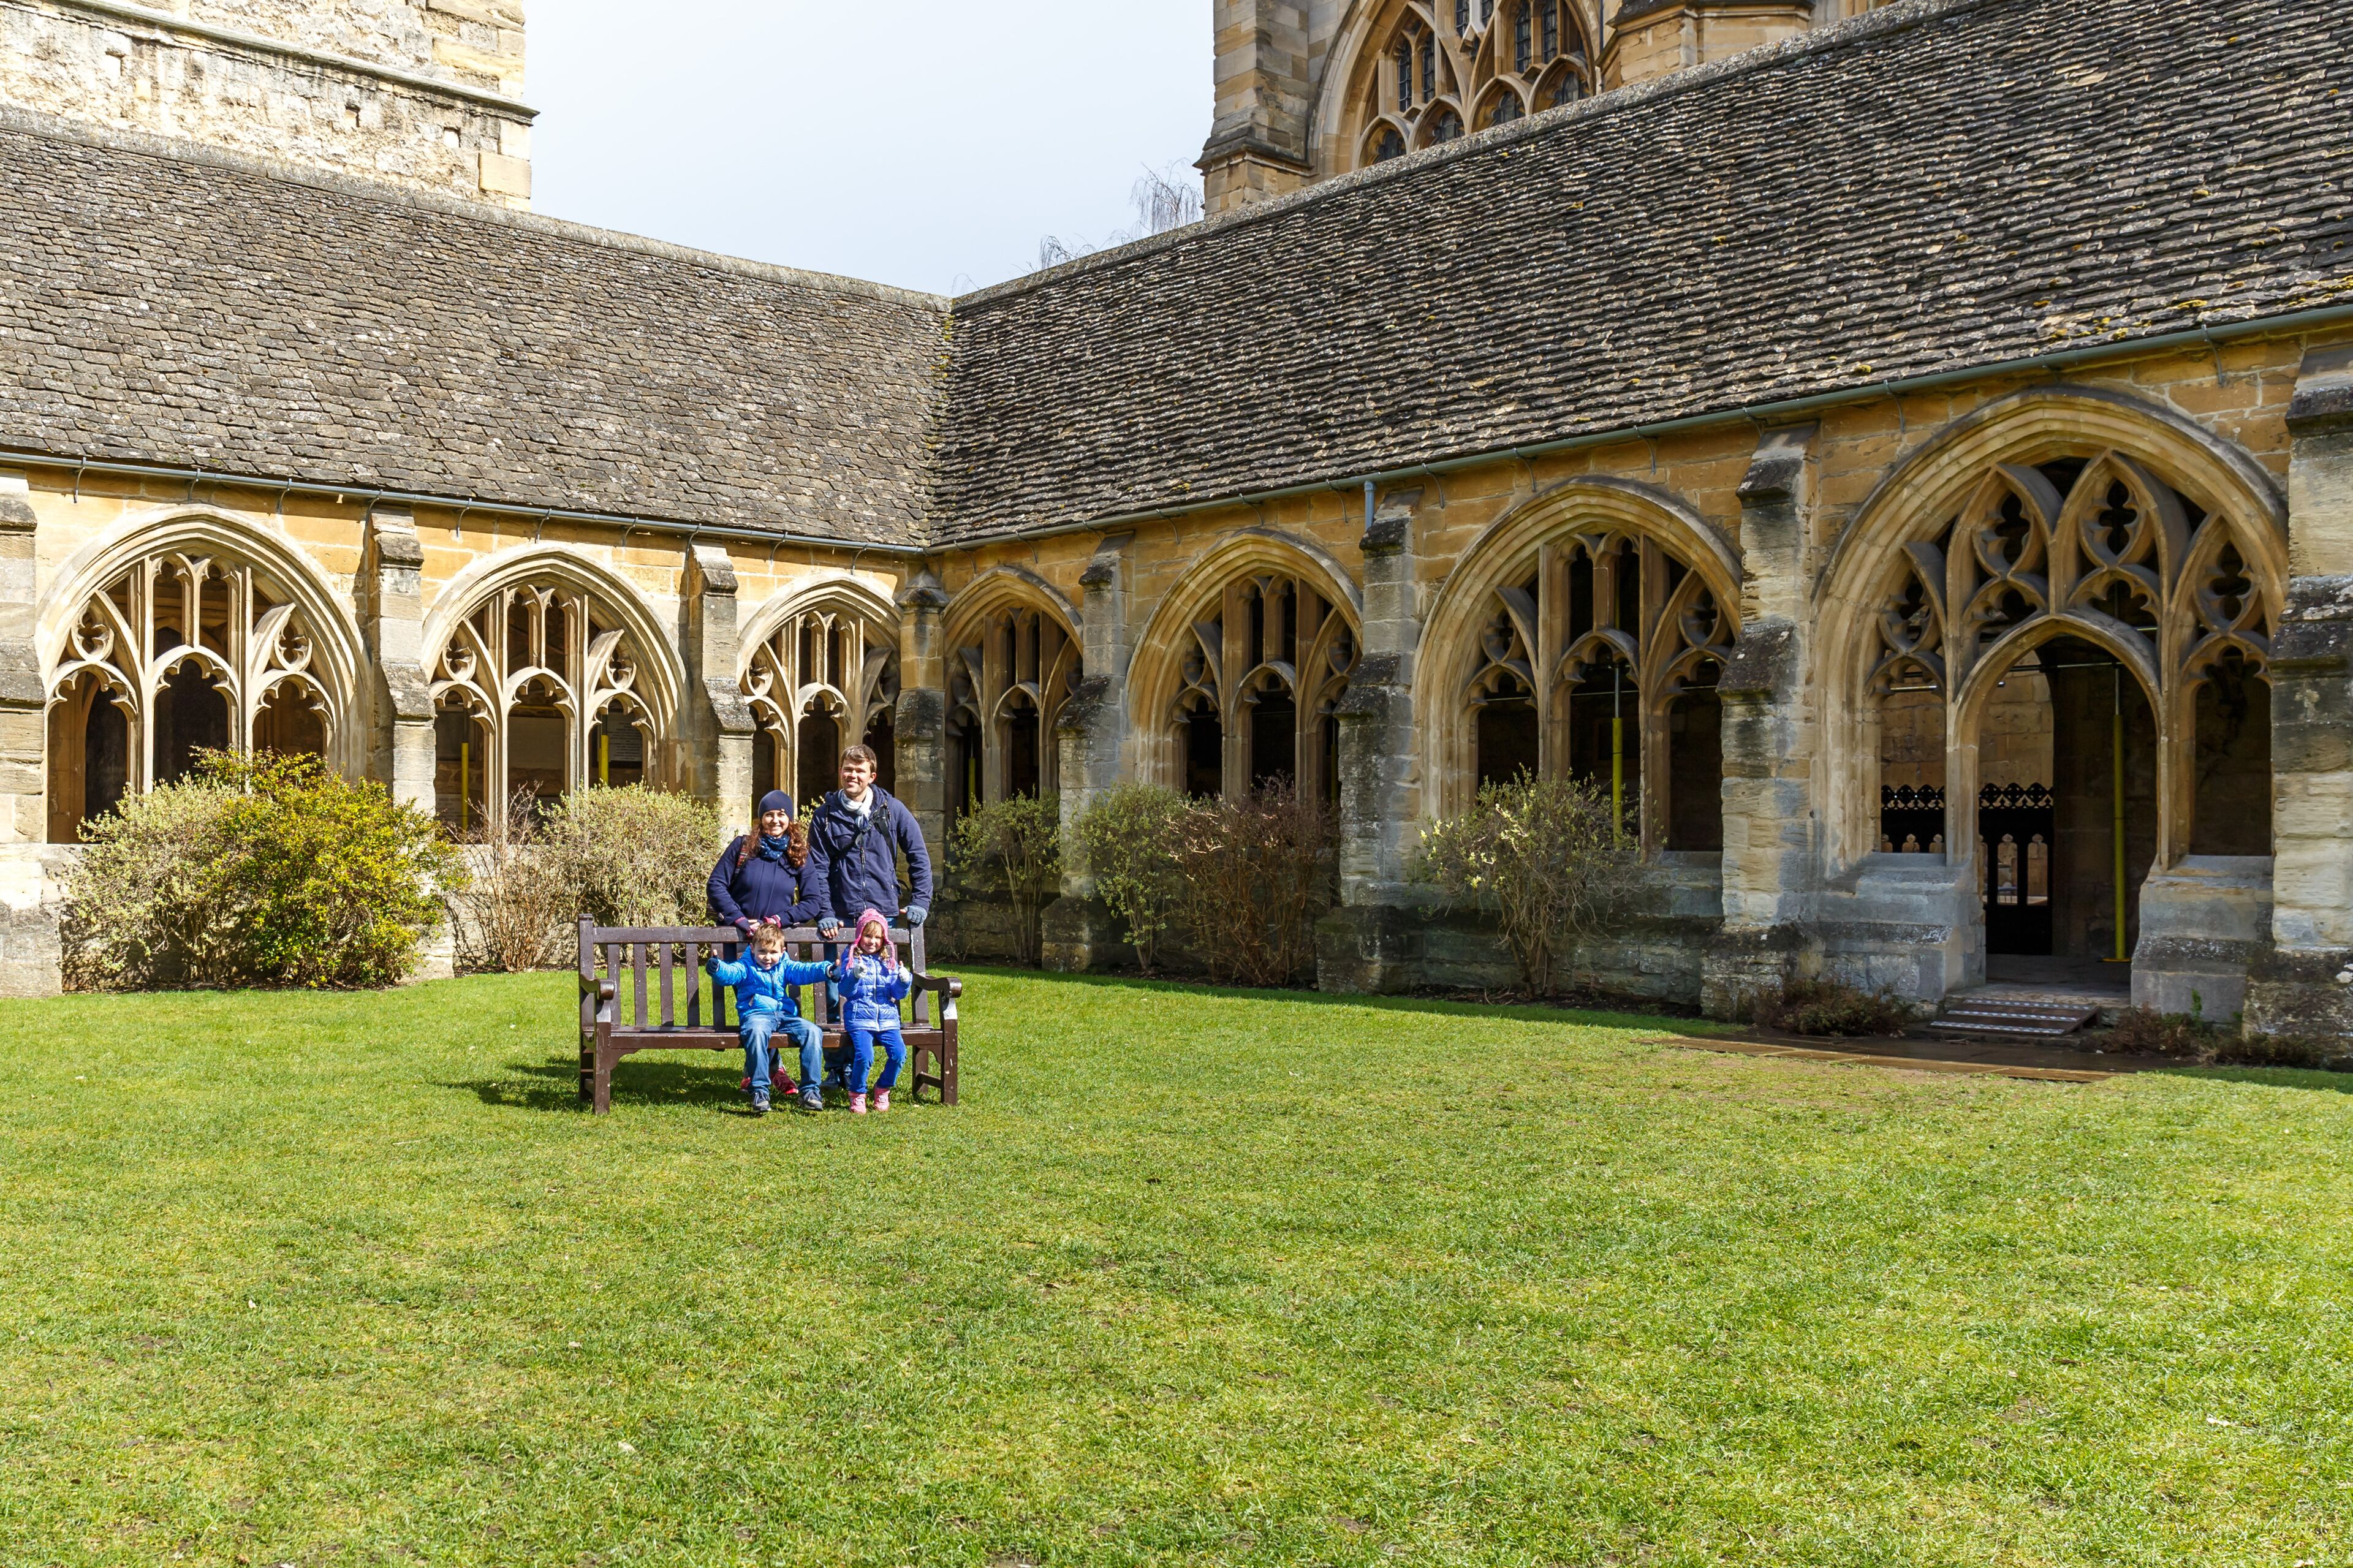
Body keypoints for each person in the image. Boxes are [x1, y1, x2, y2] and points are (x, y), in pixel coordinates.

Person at [806, 744, 934, 940]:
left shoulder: (893, 810)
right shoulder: (824, 816)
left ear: (872, 777)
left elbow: (919, 858)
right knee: (840, 963)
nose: (853, 775)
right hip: (841, 918)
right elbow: (817, 869)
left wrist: (921, 902)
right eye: (848, 769)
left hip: (884, 914)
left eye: (860, 771)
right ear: (840, 772)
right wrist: (825, 913)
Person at [703, 920, 830, 1116]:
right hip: (756, 1015)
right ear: (752, 949)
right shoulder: (746, 966)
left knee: (813, 1032)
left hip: (784, 1015)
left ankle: (810, 1091)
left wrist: (827, 970)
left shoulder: (785, 965)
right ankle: (760, 1091)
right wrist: (718, 968)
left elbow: (805, 971)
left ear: (782, 951)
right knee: (756, 1033)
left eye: (773, 952)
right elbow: (730, 974)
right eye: (762, 951)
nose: (767, 957)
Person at [708, 790, 819, 936]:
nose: (775, 820)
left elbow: (813, 901)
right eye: (769, 815)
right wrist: (737, 918)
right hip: (736, 936)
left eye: (781, 815)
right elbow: (716, 884)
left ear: (789, 819)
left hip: (774, 941)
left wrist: (777, 921)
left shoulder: (799, 853)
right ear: (761, 818)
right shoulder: (743, 846)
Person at [834, 907, 912, 1115]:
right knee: (865, 1056)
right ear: (860, 935)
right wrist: (855, 976)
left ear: (884, 939)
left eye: (878, 938)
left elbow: (896, 994)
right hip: (860, 1018)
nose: (872, 941)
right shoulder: (852, 957)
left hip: (887, 1019)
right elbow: (846, 991)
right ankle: (857, 1092)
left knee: (899, 1054)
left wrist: (904, 981)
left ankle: (883, 1087)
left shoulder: (888, 960)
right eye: (868, 936)